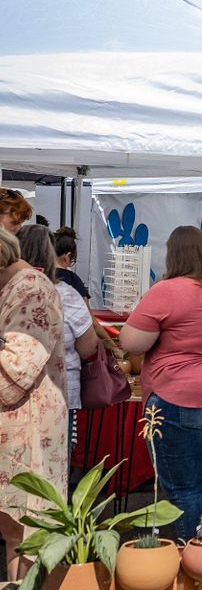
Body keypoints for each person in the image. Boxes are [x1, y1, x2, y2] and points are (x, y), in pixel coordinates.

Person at [120, 226, 202, 541]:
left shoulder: (166, 290)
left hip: (183, 395)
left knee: (186, 489)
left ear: (172, 254)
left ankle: (197, 559)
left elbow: (132, 342)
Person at [0, 227, 67, 581]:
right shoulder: (16, 287)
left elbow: (15, 377)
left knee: (30, 536)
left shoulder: (32, 290)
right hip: (16, 434)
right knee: (17, 535)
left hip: (27, 433)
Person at [16, 225, 97, 448]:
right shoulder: (66, 293)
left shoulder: (7, 290)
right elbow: (89, 346)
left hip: (12, 390)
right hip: (58, 392)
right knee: (54, 461)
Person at [51, 226, 91, 301]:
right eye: (73, 260)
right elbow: (86, 311)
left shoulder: (40, 276)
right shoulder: (73, 280)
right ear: (68, 256)